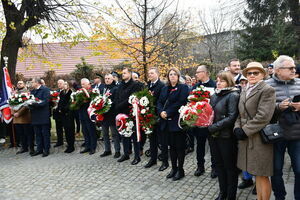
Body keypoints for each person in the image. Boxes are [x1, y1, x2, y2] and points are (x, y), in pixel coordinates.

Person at [234, 62, 276, 200]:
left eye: (255, 73)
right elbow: (240, 114)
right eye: (249, 73)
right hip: (247, 139)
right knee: (255, 173)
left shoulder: (267, 89)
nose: (252, 75)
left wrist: (244, 130)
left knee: (262, 174)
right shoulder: (246, 89)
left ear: (263, 74)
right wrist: (237, 128)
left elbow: (263, 116)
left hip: (260, 139)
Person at [265, 55, 300, 200]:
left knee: (299, 170)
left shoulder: (299, 82)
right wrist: (278, 107)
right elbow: (261, 110)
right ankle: (280, 197)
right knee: (276, 170)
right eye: (290, 68)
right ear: (278, 70)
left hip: (297, 135)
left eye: (294, 67)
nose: (294, 70)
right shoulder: (266, 85)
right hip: (276, 136)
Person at [208, 71, 240, 200]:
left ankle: (231, 195)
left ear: (229, 82)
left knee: (229, 167)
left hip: (226, 136)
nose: (218, 83)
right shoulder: (214, 95)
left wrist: (213, 127)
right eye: (217, 80)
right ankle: (222, 192)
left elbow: (232, 117)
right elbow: (209, 113)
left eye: (221, 81)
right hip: (214, 136)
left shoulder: (233, 94)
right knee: (219, 165)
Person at [157, 68, 189, 181]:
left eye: (175, 74)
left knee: (179, 148)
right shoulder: (165, 88)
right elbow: (160, 102)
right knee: (171, 148)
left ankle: (180, 170)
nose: (172, 76)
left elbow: (181, 102)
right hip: (166, 122)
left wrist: (168, 112)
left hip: (177, 122)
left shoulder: (183, 87)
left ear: (178, 76)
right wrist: (161, 112)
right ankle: (173, 168)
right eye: (170, 74)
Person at [192, 65, 217, 178]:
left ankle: (214, 167)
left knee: (213, 145)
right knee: (200, 145)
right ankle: (200, 166)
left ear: (205, 73)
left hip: (211, 121)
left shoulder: (214, 85)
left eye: (198, 72)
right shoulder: (196, 86)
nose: (196, 74)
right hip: (199, 121)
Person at [114, 67, 143, 164]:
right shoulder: (120, 85)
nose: (123, 75)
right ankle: (126, 154)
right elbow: (117, 96)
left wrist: (119, 105)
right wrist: (117, 106)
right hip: (121, 113)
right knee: (124, 134)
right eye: (122, 73)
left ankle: (137, 156)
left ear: (130, 74)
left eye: (125, 73)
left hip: (131, 113)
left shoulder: (135, 85)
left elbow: (131, 98)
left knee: (134, 136)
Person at [144, 67, 165, 169]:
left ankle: (164, 161)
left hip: (158, 116)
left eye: (152, 73)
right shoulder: (148, 85)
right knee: (152, 139)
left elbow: (162, 100)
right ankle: (153, 159)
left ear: (157, 74)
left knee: (162, 140)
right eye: (149, 73)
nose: (150, 75)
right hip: (149, 116)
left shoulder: (161, 85)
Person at [99, 74, 121, 158]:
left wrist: (108, 106)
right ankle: (107, 150)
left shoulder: (115, 88)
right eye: (105, 78)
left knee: (114, 134)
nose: (107, 80)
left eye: (109, 78)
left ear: (112, 79)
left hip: (112, 114)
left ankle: (117, 150)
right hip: (104, 114)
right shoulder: (103, 88)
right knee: (105, 134)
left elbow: (116, 101)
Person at [30, 78, 51, 157]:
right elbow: (30, 100)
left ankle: (46, 149)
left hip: (43, 115)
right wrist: (29, 105)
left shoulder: (45, 89)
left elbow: (45, 102)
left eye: (32, 82)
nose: (31, 83)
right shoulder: (33, 91)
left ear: (37, 83)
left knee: (45, 133)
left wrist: (35, 104)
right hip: (35, 115)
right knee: (37, 133)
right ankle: (39, 149)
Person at [13, 81, 34, 155]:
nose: (19, 84)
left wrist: (19, 113)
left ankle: (31, 148)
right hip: (16, 118)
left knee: (28, 133)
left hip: (25, 117)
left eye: (21, 83)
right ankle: (24, 148)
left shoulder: (27, 92)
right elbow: (10, 103)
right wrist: (13, 113)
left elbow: (27, 105)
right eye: (18, 83)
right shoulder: (14, 93)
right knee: (21, 134)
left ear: (24, 84)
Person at [79, 78, 97, 155]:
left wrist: (86, 96)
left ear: (88, 84)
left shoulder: (93, 91)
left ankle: (93, 147)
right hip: (82, 114)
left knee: (91, 131)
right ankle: (87, 146)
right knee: (85, 131)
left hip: (89, 115)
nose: (82, 85)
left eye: (83, 84)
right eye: (81, 84)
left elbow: (93, 102)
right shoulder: (79, 92)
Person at [57, 81, 75, 153]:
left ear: (68, 85)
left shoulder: (71, 93)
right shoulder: (62, 93)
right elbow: (60, 102)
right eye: (63, 84)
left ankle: (71, 146)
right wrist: (59, 109)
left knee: (70, 129)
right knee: (66, 130)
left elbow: (70, 103)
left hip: (69, 113)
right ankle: (68, 144)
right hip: (63, 114)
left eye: (65, 84)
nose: (64, 85)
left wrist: (64, 109)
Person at [52, 79, 65, 147]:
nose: (59, 84)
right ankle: (59, 141)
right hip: (57, 113)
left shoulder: (66, 91)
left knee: (66, 128)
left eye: (60, 83)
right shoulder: (55, 92)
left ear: (64, 84)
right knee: (58, 127)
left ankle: (68, 142)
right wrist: (54, 102)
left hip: (64, 113)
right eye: (58, 83)